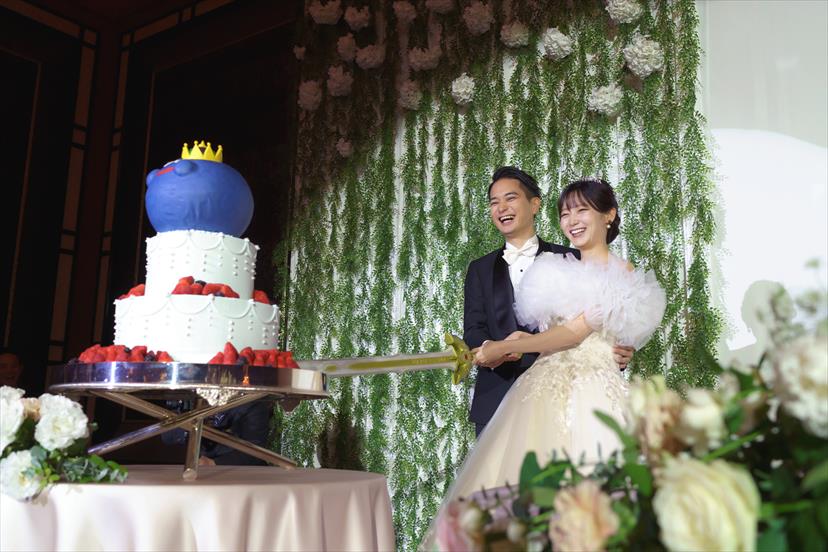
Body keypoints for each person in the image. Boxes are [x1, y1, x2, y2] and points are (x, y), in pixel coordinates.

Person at [437, 178, 666, 519]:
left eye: (581, 210)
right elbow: (545, 331)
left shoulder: (619, 273)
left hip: (591, 390)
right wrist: (507, 343)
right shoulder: (557, 266)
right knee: (519, 490)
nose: (572, 220)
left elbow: (574, 333)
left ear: (609, 214)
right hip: (534, 387)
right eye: (565, 214)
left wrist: (513, 344)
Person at [464, 167, 634, 436]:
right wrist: (491, 350)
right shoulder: (479, 269)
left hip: (567, 395)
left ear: (535, 205)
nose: (501, 208)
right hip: (496, 396)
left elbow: (592, 327)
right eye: (494, 202)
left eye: (510, 198)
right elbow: (473, 329)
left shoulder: (574, 259)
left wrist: (613, 350)